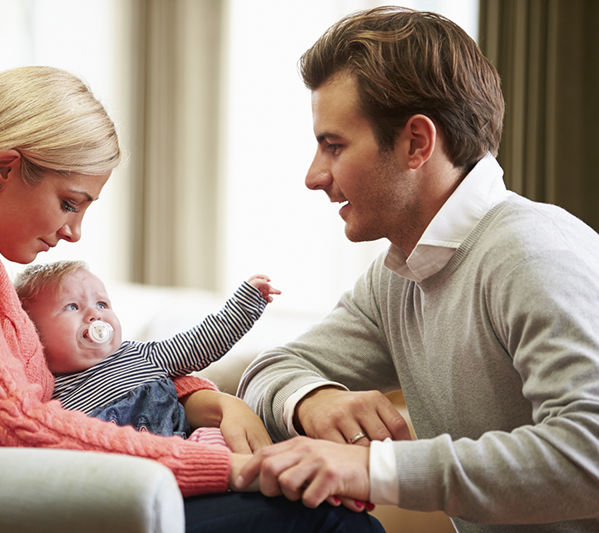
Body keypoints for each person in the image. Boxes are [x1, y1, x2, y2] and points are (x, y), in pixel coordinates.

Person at [0, 65, 384, 532]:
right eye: (70, 202)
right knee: (325, 521)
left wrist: (205, 397)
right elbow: (17, 426)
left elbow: (81, 380)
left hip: (15, 492)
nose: (74, 233)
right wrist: (229, 469)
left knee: (323, 511)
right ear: (3, 167)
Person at [235, 6, 599, 532]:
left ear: (417, 143)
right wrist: (311, 398)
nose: (314, 176)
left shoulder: (533, 253)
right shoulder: (399, 277)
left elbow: (590, 453)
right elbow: (270, 370)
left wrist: (371, 468)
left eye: (333, 146)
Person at [14, 260, 279, 449]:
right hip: (119, 482)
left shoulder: (140, 355)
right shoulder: (44, 393)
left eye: (102, 304)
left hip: (186, 454)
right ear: (31, 330)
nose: (95, 315)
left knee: (221, 441)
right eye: (71, 306)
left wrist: (245, 304)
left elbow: (201, 342)